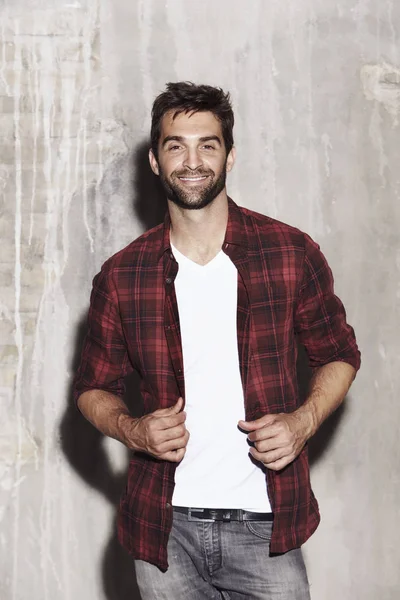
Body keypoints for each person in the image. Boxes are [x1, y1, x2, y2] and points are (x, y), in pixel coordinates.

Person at [74, 82, 361, 599]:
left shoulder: (290, 253)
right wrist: (133, 430)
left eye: (208, 144)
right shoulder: (122, 275)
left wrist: (303, 421)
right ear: (155, 161)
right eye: (175, 145)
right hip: (166, 532)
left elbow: (339, 355)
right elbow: (93, 389)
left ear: (230, 157)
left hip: (265, 527)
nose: (192, 160)